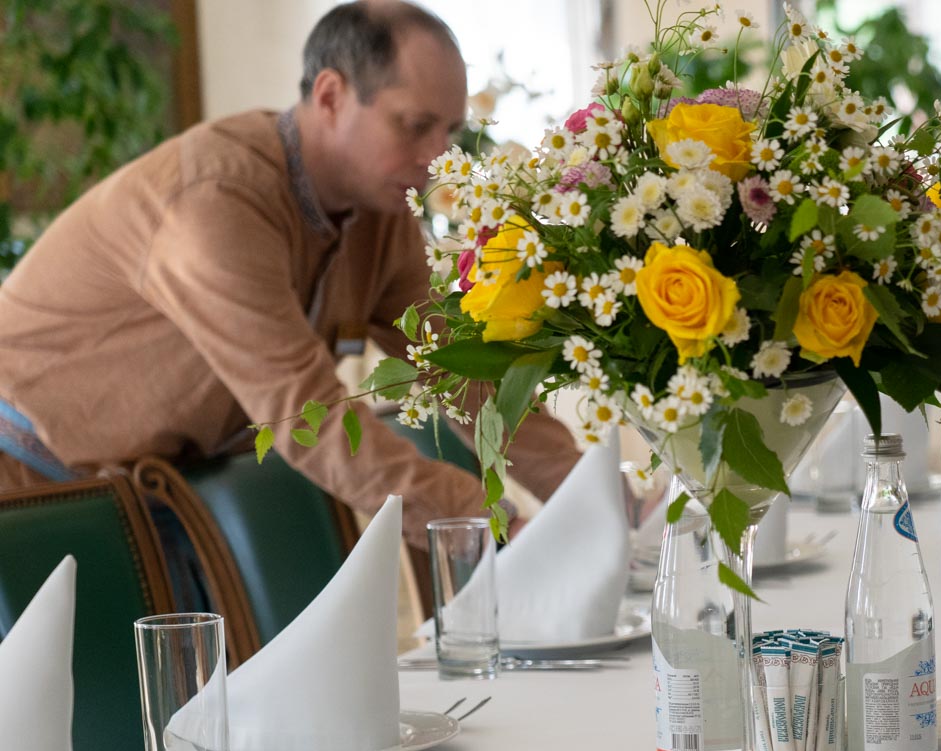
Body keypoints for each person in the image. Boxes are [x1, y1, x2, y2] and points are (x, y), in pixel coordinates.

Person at [0, 1, 578, 547]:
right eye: (414, 124)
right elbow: (307, 412)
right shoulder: (213, 200)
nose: (438, 157)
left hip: (152, 492)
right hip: (28, 489)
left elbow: (467, 372)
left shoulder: (381, 212)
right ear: (330, 96)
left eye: (448, 131)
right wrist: (496, 522)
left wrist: (589, 498)